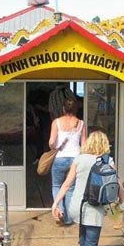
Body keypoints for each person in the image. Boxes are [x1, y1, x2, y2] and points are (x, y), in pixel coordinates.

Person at [51, 131, 124, 246]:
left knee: (83, 241)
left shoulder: (79, 159)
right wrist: (122, 206)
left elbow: (67, 184)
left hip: (77, 207)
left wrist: (56, 204)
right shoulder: (108, 161)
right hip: (95, 210)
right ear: (105, 144)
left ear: (88, 143)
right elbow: (117, 184)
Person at [48, 96, 86, 225]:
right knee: (70, 188)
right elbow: (84, 145)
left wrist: (54, 147)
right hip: (75, 159)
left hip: (59, 158)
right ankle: (69, 218)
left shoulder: (56, 122)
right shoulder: (81, 123)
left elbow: (52, 142)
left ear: (63, 108)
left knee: (57, 186)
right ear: (76, 109)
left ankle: (59, 211)